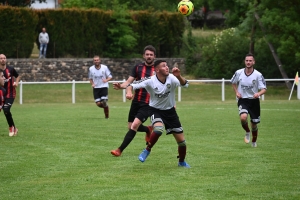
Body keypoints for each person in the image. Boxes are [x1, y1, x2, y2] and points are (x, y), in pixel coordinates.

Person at [126, 60, 190, 168]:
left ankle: (181, 162)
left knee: (182, 142)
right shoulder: (150, 80)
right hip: (155, 110)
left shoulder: (172, 78)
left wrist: (179, 76)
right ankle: (147, 150)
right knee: (158, 129)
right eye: (163, 66)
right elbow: (131, 84)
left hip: (170, 112)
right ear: (157, 70)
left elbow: (186, 85)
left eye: (167, 65)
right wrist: (129, 92)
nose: (167, 67)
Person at [110, 45, 156, 157]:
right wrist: (121, 86)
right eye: (147, 54)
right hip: (136, 101)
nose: (149, 56)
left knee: (134, 125)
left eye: (151, 54)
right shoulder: (137, 68)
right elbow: (129, 82)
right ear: (143, 56)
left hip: (148, 103)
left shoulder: (158, 70)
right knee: (130, 126)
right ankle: (148, 129)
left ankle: (119, 150)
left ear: (154, 56)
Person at [230, 53, 267, 147]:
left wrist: (258, 93)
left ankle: (254, 142)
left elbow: (264, 89)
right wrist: (236, 92)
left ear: (253, 62)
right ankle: (247, 131)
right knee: (243, 117)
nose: (248, 62)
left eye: (250, 60)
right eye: (247, 60)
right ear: (244, 62)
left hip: (254, 101)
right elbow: (233, 83)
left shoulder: (258, 75)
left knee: (254, 124)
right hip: (242, 99)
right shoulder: (239, 72)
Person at [0, 54, 20, 136]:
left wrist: (16, 83)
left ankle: (11, 127)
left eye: (4, 58)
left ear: (6, 59)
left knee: (6, 110)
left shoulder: (11, 69)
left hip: (10, 94)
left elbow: (18, 76)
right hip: (1, 94)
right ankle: (14, 128)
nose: (3, 60)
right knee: (5, 111)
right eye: (1, 58)